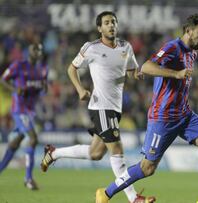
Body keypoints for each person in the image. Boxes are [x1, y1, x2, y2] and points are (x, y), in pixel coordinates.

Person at [95, 14, 198, 203]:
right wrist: (176, 73)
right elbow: (146, 67)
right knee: (147, 168)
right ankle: (105, 193)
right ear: (188, 31)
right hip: (163, 118)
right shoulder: (173, 47)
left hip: (185, 115)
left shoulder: (192, 52)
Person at [40, 11, 155, 203]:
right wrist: (79, 89)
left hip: (115, 108)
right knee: (117, 149)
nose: (111, 25)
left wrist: (138, 74)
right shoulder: (91, 48)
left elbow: (131, 71)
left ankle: (54, 154)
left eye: (114, 22)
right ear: (99, 28)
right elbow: (71, 69)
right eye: (107, 23)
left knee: (95, 153)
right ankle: (134, 198)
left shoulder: (126, 47)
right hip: (101, 106)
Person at [0, 42, 47, 190]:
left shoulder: (40, 71)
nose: (37, 52)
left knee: (15, 143)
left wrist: (44, 88)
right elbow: (3, 79)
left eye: (39, 50)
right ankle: (28, 179)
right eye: (34, 49)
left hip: (30, 112)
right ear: (29, 51)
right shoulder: (18, 65)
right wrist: (15, 89)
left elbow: (40, 91)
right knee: (33, 138)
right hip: (19, 109)